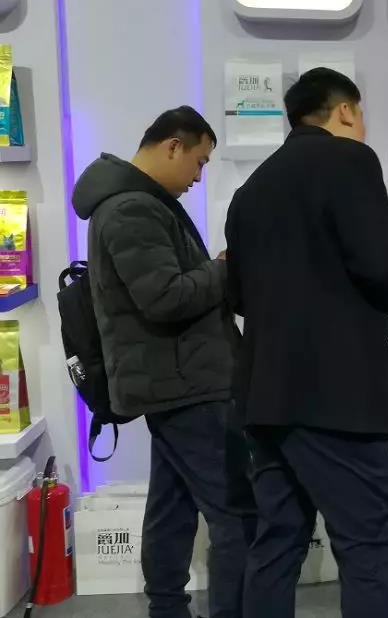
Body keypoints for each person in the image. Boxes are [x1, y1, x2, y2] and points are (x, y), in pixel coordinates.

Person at [225, 69, 388, 618]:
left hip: (264, 396)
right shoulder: (351, 161)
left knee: (277, 542)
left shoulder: (250, 190)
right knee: (365, 544)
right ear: (345, 111)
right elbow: (384, 275)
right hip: (339, 399)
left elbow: (238, 296)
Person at [71, 106, 252, 618]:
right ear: (173, 145)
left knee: (172, 507)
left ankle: (167, 608)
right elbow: (165, 297)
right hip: (187, 384)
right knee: (237, 514)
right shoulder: (132, 209)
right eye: (199, 161)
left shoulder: (133, 203)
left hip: (172, 381)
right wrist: (222, 268)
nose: (198, 177)